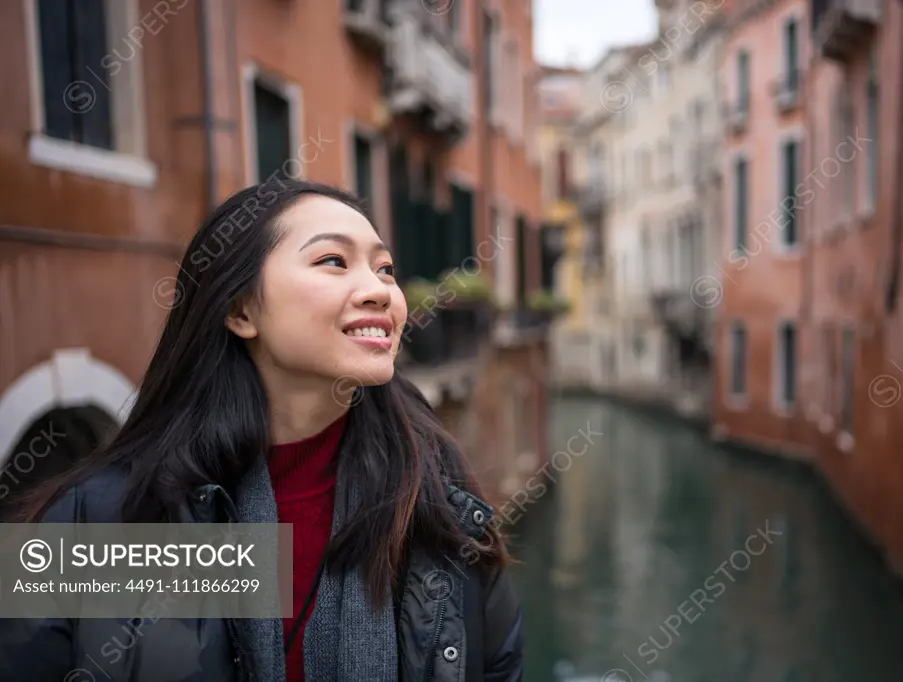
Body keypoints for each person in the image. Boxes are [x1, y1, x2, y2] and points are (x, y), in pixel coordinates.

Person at [0, 180, 523, 682]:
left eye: (385, 269)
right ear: (240, 310)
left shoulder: (438, 499)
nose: (379, 290)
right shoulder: (93, 518)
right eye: (333, 261)